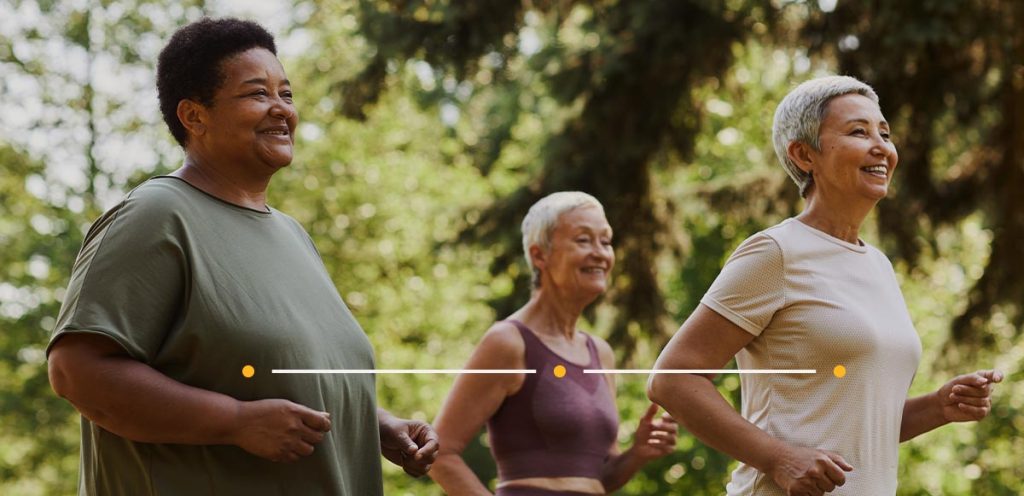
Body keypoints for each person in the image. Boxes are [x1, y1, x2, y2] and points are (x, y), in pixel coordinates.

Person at [46, 18, 437, 495]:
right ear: (194, 116)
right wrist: (233, 421)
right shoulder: (156, 216)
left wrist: (376, 425)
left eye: (286, 95)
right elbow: (77, 372)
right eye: (257, 94)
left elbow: (290, 371)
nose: (281, 111)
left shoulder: (291, 234)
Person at [648, 75, 1003, 496]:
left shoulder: (878, 266)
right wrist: (778, 459)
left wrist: (938, 407)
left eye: (884, 133)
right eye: (858, 131)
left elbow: (857, 428)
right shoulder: (776, 252)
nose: (882, 147)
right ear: (803, 155)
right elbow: (672, 378)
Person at [429, 191, 678, 495]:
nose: (600, 253)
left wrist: (637, 453)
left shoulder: (600, 353)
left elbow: (598, 478)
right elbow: (440, 453)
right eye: (583, 240)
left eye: (606, 241)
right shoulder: (508, 342)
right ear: (539, 255)